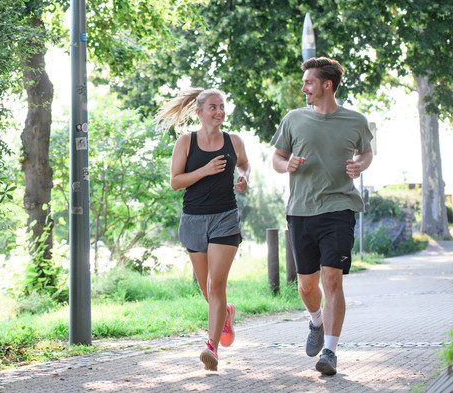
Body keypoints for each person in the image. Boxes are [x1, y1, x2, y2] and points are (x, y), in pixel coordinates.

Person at [271, 57, 373, 376]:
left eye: (309, 82)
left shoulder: (355, 120)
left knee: (332, 279)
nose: (303, 88)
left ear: (327, 85)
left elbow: (366, 151)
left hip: (339, 208)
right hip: (300, 211)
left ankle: (330, 351)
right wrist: (285, 165)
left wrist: (361, 164)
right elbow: (276, 157)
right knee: (306, 286)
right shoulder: (294, 119)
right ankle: (316, 321)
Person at [156, 87, 250, 372]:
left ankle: (212, 348)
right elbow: (175, 181)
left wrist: (243, 178)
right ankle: (226, 313)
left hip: (225, 218)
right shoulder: (186, 142)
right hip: (194, 219)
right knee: (206, 289)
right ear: (199, 112)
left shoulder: (234, 141)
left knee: (216, 285)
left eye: (222, 106)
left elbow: (244, 165)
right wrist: (205, 171)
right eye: (213, 107)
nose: (219, 112)